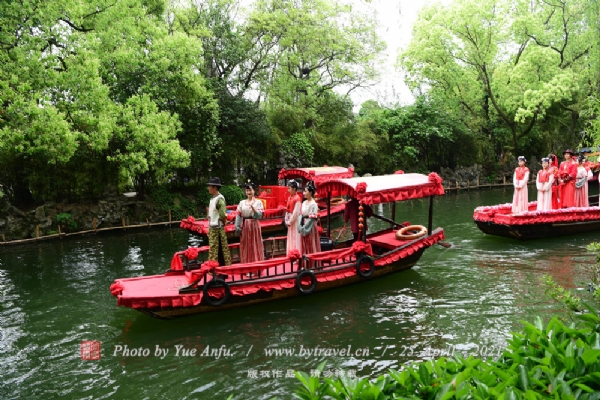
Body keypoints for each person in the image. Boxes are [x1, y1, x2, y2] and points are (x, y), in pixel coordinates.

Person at [235, 181, 265, 264]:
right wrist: (237, 226)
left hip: (254, 225)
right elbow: (238, 214)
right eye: (247, 190)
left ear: (254, 191)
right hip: (245, 225)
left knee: (255, 244)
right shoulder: (242, 202)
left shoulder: (258, 202)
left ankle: (257, 264)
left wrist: (254, 210)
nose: (249, 192)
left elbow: (260, 216)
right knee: (245, 245)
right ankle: (246, 264)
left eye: (250, 190)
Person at [206, 177, 232, 266]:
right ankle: (214, 267)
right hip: (213, 228)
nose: (208, 188)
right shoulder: (213, 199)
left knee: (219, 250)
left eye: (209, 186)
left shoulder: (219, 199)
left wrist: (223, 222)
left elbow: (222, 214)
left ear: (215, 187)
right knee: (214, 250)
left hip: (218, 229)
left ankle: (221, 268)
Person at [297, 181, 321, 255]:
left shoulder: (313, 204)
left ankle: (312, 260)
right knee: (304, 243)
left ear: (310, 192)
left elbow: (312, 218)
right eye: (303, 191)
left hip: (310, 225)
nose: (303, 193)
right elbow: (301, 214)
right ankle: (305, 259)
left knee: (310, 242)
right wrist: (300, 225)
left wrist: (305, 227)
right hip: (303, 222)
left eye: (305, 191)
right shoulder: (304, 202)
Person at [284, 179, 302, 255]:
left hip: (295, 220)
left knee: (295, 236)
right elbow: (287, 210)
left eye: (290, 187)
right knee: (291, 236)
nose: (288, 188)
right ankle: (291, 253)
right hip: (290, 218)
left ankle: (296, 253)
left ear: (294, 189)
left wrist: (290, 221)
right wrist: (286, 219)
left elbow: (296, 213)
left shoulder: (297, 198)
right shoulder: (289, 197)